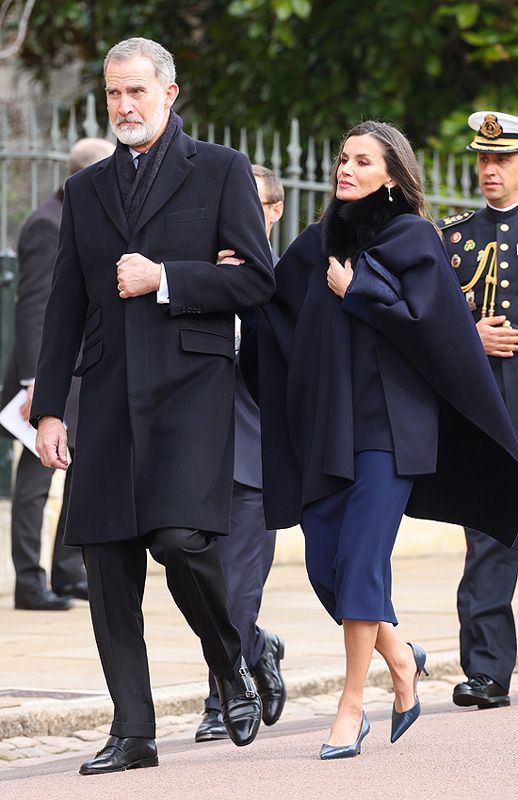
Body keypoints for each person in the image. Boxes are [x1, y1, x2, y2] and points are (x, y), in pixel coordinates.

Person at [30, 37, 275, 775]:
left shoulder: (224, 171)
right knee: (106, 562)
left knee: (179, 540)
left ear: (171, 94)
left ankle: (231, 661)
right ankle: (133, 731)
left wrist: (166, 277)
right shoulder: (88, 189)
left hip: (190, 391)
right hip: (105, 395)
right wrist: (48, 409)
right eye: (113, 94)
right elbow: (66, 301)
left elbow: (257, 281)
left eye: (137, 92)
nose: (124, 106)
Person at [239, 120, 518, 760]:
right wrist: (236, 273)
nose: (346, 169)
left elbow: (433, 326)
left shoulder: (415, 237)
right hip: (327, 430)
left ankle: (350, 708)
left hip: (392, 431)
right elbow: (273, 313)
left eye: (363, 161)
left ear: (391, 175)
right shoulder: (315, 245)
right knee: (323, 566)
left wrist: (359, 290)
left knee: (362, 562)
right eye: (342, 158)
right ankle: (400, 655)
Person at [0, 138, 115, 611]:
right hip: (45, 378)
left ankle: (68, 573)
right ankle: (29, 581)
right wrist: (32, 383)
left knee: (78, 473)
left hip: (82, 373)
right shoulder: (46, 224)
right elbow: (33, 310)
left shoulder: (82, 217)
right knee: (34, 480)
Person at [195, 165, 286, 742]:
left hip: (255, 453)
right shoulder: (200, 273)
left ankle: (220, 698)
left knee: (237, 583)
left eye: (251, 203)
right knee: (198, 580)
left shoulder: (286, 280)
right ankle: (257, 645)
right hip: (195, 453)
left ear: (274, 211)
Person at [438, 111, 518, 710]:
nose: (490, 170)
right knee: (489, 537)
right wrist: (474, 337)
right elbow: (432, 323)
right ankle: (487, 671)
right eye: (484, 160)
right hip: (488, 407)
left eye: (503, 160)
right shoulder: (455, 238)